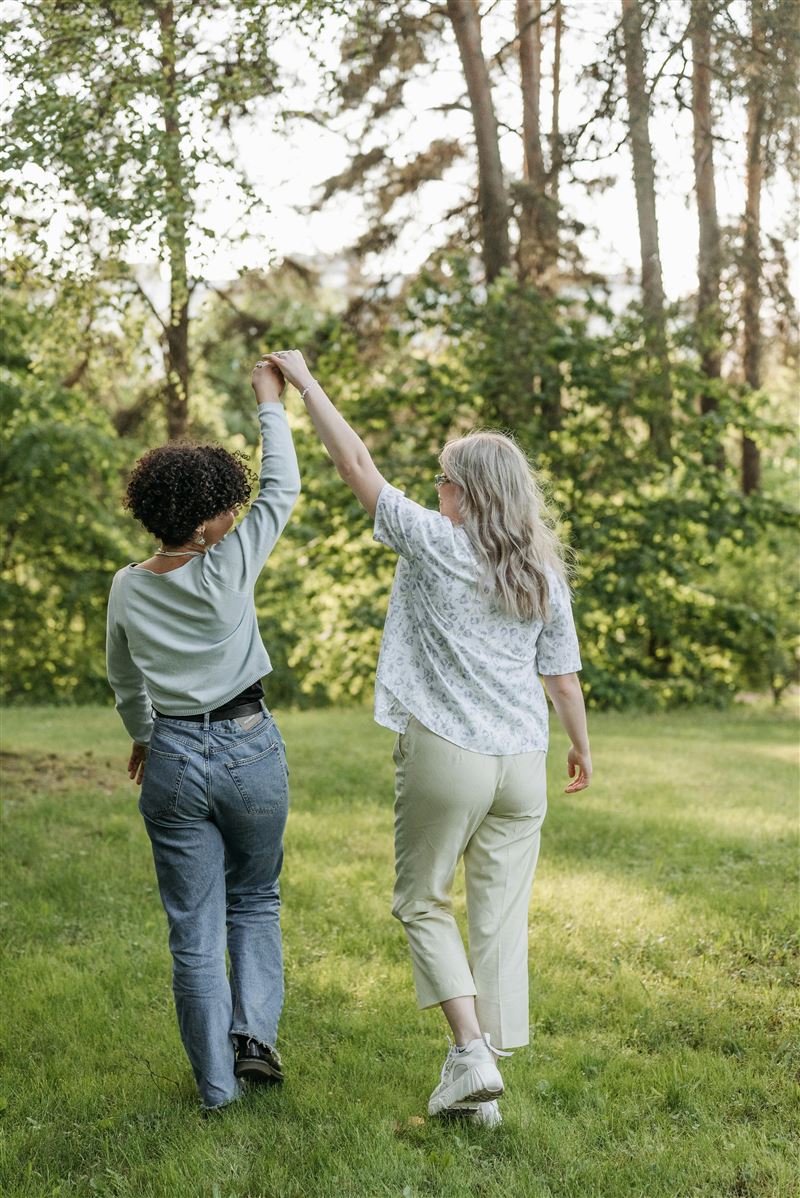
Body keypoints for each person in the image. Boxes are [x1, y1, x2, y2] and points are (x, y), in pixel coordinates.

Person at [264, 349, 592, 1129]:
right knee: (498, 916)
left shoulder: (437, 542)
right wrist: (581, 747)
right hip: (524, 763)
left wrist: (306, 385)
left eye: (444, 478)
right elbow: (564, 677)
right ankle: (477, 1090)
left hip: (451, 752)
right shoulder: (543, 571)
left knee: (420, 900)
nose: (435, 487)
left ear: (468, 493)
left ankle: (471, 1052)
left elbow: (354, 460)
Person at [105, 357, 301, 1112]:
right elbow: (281, 488)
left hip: (175, 754)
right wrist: (268, 404)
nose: (235, 515)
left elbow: (126, 683)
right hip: (249, 743)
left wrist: (143, 736)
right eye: (226, 507)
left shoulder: (127, 585)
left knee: (193, 929)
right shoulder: (227, 566)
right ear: (202, 523)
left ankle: (216, 1092)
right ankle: (254, 1040)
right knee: (254, 899)